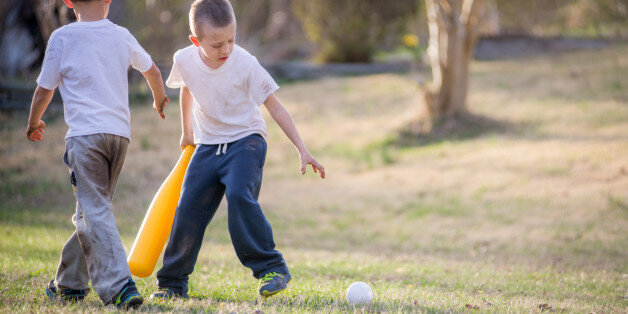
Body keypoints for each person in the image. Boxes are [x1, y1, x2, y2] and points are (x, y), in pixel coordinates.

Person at [151, 0, 325, 299]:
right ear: (196, 41)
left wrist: (302, 149)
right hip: (207, 145)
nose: (226, 49)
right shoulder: (184, 59)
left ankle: (272, 268)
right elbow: (187, 88)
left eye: (231, 39)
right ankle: (172, 284)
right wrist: (187, 131)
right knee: (187, 209)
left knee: (238, 195)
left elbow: (274, 106)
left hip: (247, 140)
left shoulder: (245, 63)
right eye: (217, 44)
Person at [26, 0, 169, 309]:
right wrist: (159, 100)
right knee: (92, 212)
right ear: (109, 0)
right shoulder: (121, 35)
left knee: (95, 212)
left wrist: (34, 121)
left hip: (85, 138)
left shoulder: (63, 38)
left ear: (68, 2)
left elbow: (44, 90)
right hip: (119, 138)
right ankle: (70, 285)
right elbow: (153, 70)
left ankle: (119, 285)